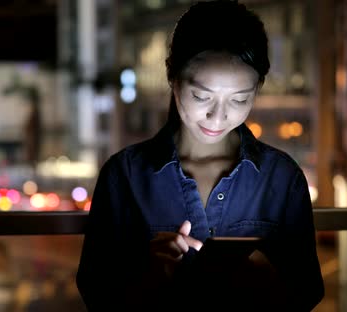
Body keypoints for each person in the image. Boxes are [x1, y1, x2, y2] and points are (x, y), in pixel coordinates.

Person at [76, 1, 324, 311]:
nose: (217, 117)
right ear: (172, 76)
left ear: (258, 88)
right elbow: (97, 295)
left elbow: (307, 292)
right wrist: (150, 277)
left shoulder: (282, 178)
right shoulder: (125, 175)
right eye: (201, 96)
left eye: (239, 99)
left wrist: (264, 276)